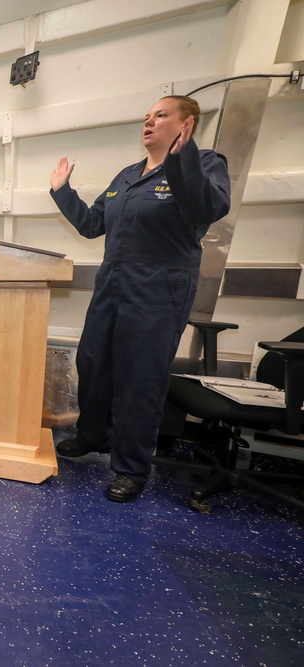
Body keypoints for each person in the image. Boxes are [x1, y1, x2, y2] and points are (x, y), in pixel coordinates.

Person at [49, 95, 231, 502]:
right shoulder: (128, 175)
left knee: (140, 379)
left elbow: (209, 206)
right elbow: (95, 223)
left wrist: (183, 158)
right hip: (112, 285)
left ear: (186, 125)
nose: (148, 122)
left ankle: (131, 467)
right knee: (92, 363)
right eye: (146, 116)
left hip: (159, 291)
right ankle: (93, 435)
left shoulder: (205, 164)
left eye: (160, 115)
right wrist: (63, 192)